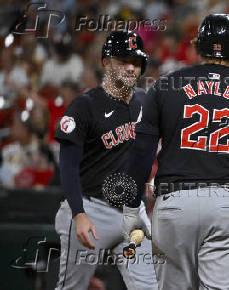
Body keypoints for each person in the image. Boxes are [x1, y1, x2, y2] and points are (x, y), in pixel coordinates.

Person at [121, 14, 229, 289]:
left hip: (175, 202)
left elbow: (141, 151)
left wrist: (130, 208)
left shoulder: (165, 84)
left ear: (201, 45)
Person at [54, 31, 157, 290]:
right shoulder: (84, 106)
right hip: (92, 209)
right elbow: (67, 165)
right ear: (106, 63)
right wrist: (78, 213)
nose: (130, 67)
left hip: (133, 213)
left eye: (136, 61)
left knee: (148, 287)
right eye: (122, 61)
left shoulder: (146, 102)